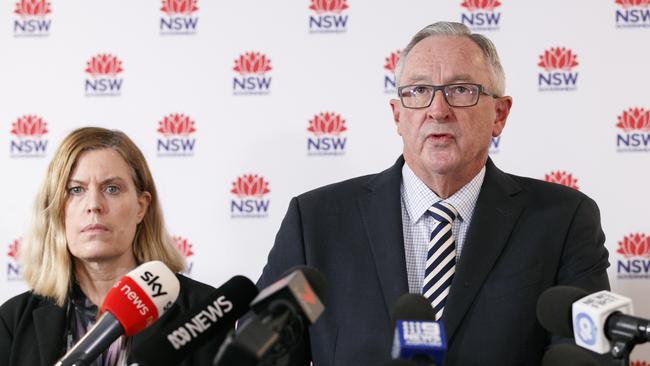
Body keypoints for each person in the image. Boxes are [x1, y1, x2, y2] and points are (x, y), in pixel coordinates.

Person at [258, 22, 610, 366]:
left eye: (461, 90)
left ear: (499, 114)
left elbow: (586, 354)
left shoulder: (563, 220)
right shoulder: (316, 221)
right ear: (397, 115)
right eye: (418, 91)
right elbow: (265, 354)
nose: (437, 110)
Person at [0, 127, 219, 366]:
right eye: (76, 190)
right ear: (57, 209)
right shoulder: (12, 320)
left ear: (141, 207)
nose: (94, 205)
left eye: (111, 188)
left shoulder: (204, 308)